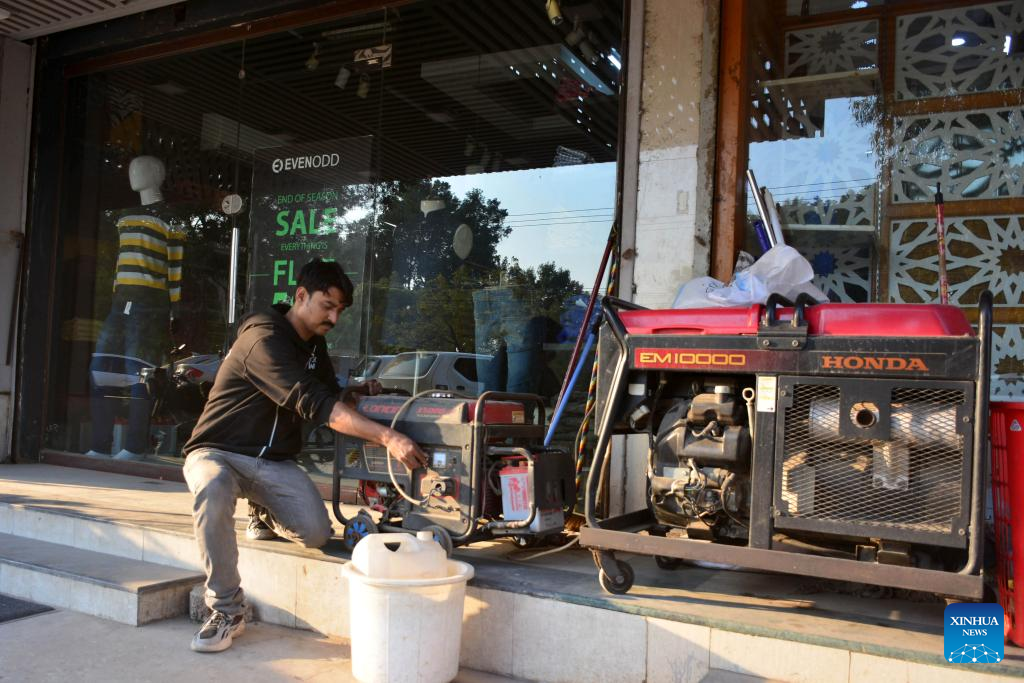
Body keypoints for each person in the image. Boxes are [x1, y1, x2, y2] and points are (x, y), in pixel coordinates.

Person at [182, 258, 426, 653]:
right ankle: (226, 609)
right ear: (300, 296)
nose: (334, 317)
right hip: (218, 452)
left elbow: (328, 393)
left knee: (315, 533)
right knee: (213, 486)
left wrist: (356, 391)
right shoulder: (263, 339)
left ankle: (262, 511)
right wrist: (388, 437)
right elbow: (316, 404)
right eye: (327, 306)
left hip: (272, 463)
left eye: (340, 310)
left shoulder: (314, 344)